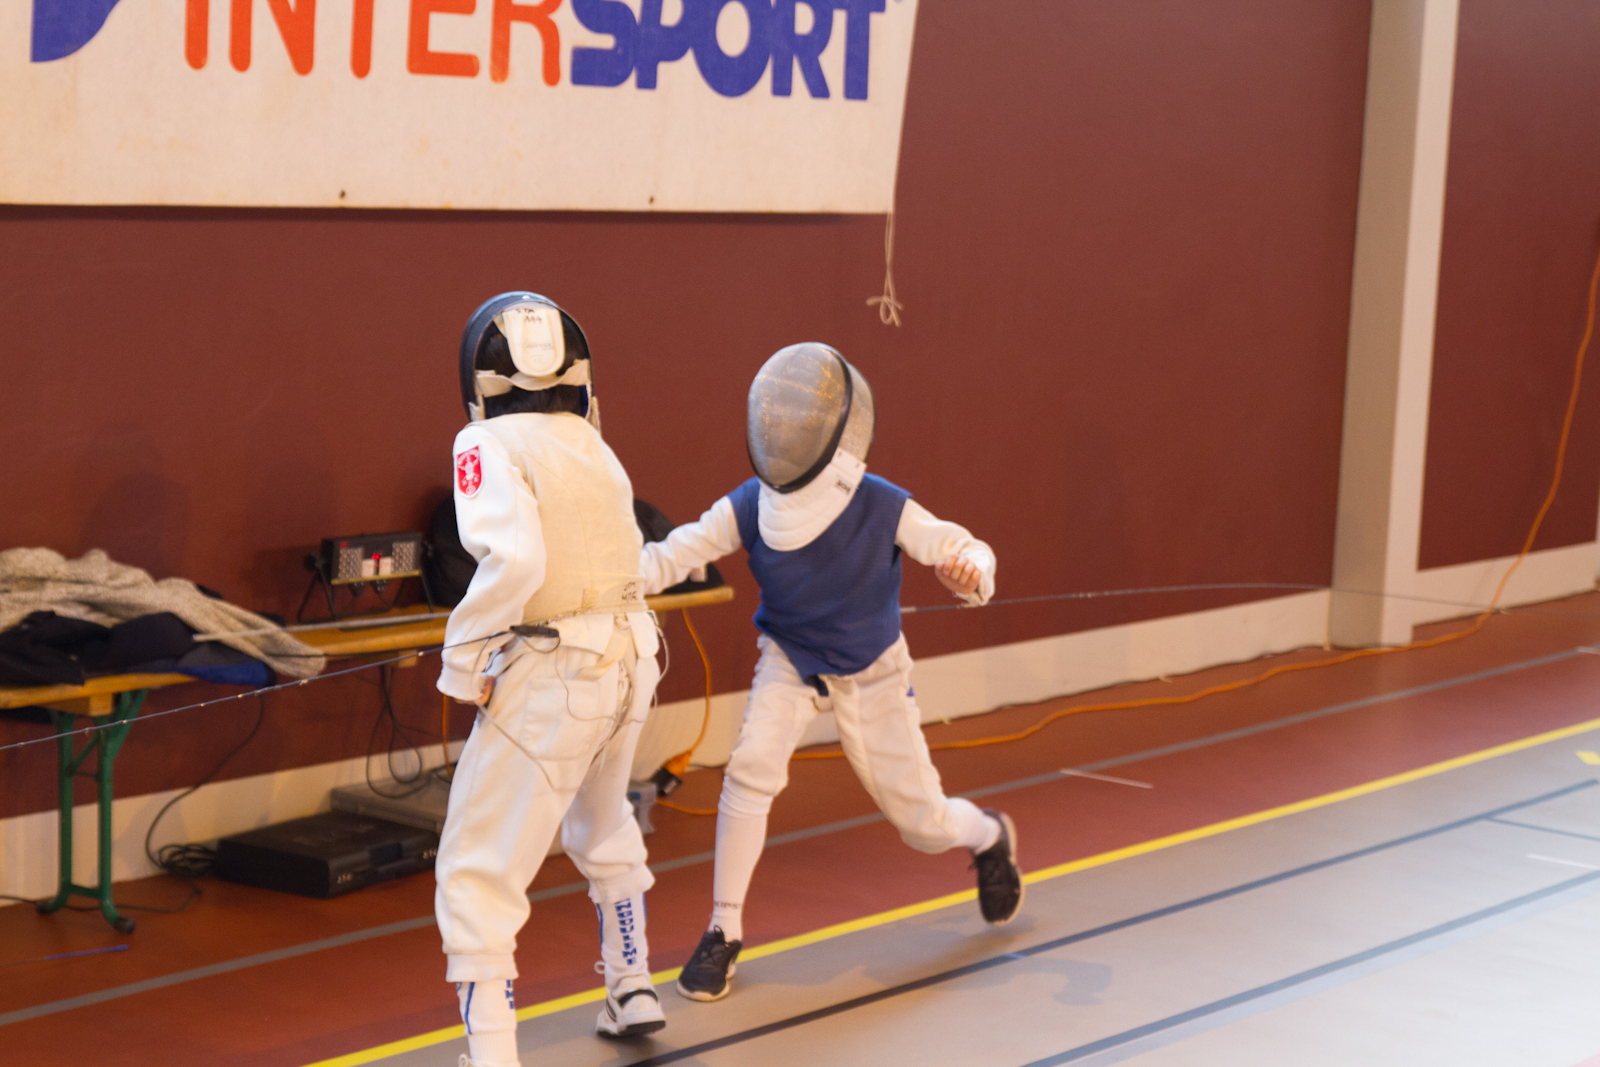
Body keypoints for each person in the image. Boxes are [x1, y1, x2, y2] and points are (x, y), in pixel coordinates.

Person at [639, 342, 1022, 1003]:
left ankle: (989, 835)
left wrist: (971, 572)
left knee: (923, 823)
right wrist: (600, 581)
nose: (787, 431)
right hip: (790, 656)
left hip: (872, 670)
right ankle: (723, 929)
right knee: (750, 767)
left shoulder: (881, 504)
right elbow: (670, 556)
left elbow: (965, 548)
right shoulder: (753, 504)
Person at [434, 293, 666, 1066]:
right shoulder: (594, 441)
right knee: (603, 820)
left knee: (474, 869)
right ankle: (632, 984)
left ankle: (492, 1054)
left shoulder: (484, 441)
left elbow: (517, 562)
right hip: (631, 659)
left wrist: (462, 661)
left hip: (557, 672)